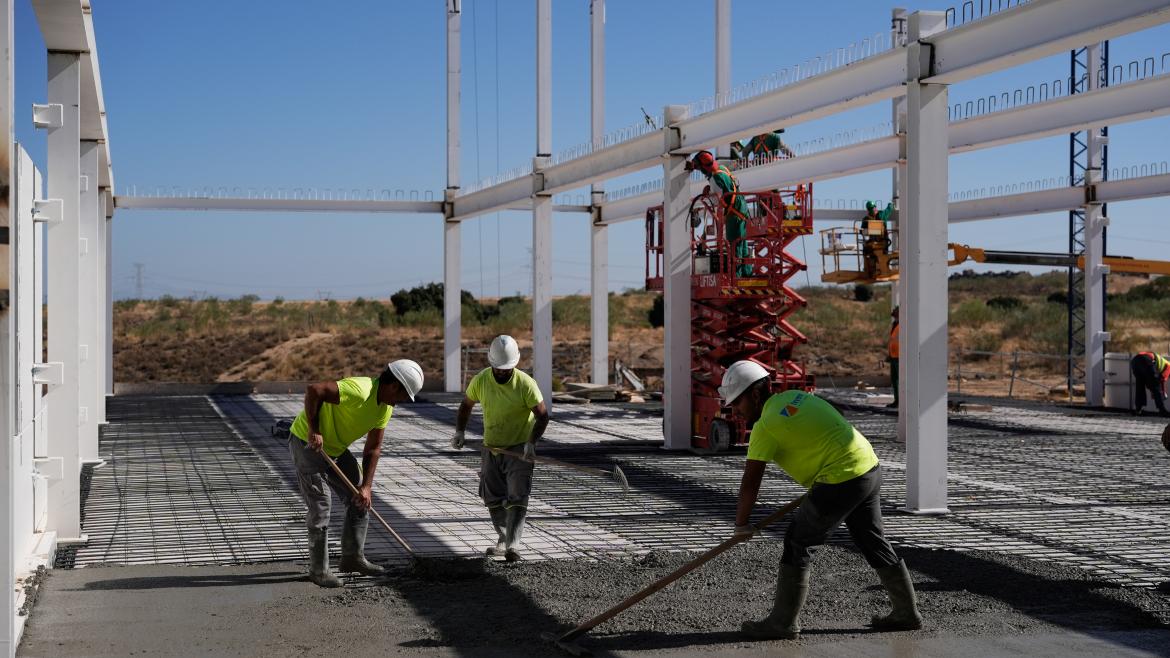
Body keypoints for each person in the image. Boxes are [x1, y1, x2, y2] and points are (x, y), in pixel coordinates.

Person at [719, 360, 922, 640]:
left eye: (737, 403)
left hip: (840, 478)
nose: (735, 411)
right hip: (868, 467)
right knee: (871, 539)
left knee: (798, 542)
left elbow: (751, 482)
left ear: (755, 394)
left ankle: (782, 622)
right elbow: (832, 418)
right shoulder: (796, 397)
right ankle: (906, 613)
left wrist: (741, 525)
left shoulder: (765, 426)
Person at [288, 359, 424, 587]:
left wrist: (367, 486)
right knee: (321, 504)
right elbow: (315, 390)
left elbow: (373, 448)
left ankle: (352, 558)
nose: (401, 402)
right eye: (402, 396)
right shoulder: (360, 391)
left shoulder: (385, 408)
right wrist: (315, 429)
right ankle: (318, 570)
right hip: (306, 443)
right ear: (393, 386)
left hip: (336, 449)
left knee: (360, 499)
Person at [451, 335, 550, 561]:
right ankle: (504, 538)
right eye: (499, 369)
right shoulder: (482, 380)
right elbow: (465, 405)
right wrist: (460, 431)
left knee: (518, 495)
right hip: (492, 447)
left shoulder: (525, 384)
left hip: (518, 449)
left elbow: (543, 416)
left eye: (507, 369)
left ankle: (513, 546)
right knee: (492, 496)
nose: (503, 372)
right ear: (491, 364)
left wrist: (531, 443)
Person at [689, 150, 753, 277]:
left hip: (733, 214)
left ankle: (737, 278)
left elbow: (717, 201)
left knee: (734, 246)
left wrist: (706, 196)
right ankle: (747, 274)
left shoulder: (715, 179)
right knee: (742, 244)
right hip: (741, 209)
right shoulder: (722, 169)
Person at [860, 200, 894, 280]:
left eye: (873, 208)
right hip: (881, 242)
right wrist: (891, 204)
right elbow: (889, 209)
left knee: (871, 253)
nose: (874, 209)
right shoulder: (880, 215)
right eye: (873, 208)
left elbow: (862, 231)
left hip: (877, 242)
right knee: (879, 255)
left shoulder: (867, 219)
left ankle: (875, 269)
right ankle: (877, 269)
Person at [1130, 351, 1170, 417]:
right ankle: (1162, 411)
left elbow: (1151, 379)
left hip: (1135, 361)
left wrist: (1152, 389)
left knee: (1140, 386)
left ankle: (1138, 410)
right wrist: (1162, 393)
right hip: (1146, 360)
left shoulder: (1163, 363)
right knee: (1156, 385)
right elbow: (1161, 380)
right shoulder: (1169, 366)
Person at [887, 306, 900, 409]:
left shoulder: (903, 325)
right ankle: (897, 400)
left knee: (900, 380)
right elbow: (892, 341)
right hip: (894, 356)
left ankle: (901, 401)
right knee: (894, 380)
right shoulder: (895, 325)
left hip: (900, 357)